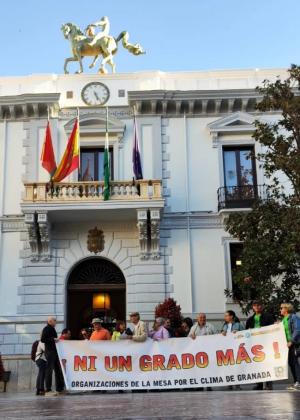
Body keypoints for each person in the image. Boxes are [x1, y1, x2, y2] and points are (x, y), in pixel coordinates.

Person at [246, 300, 275, 390]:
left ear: (262, 306)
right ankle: (259, 384)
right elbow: (246, 332)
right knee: (257, 364)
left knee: (268, 363)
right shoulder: (250, 319)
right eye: (255, 305)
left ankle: (269, 384)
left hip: (266, 343)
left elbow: (272, 329)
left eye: (258, 305)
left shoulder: (268, 316)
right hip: (255, 345)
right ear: (253, 307)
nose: (257, 307)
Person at [41, 316, 64, 396]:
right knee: (49, 370)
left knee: (57, 369)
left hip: (54, 352)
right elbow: (43, 339)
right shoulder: (47, 328)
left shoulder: (51, 328)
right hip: (50, 352)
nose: (56, 322)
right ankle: (48, 389)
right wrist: (53, 339)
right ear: (50, 321)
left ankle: (59, 389)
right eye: (55, 321)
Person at [280, 303, 300, 390]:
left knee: (295, 363)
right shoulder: (284, 319)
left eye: (281, 308)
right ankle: (296, 382)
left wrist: (292, 341)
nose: (280, 310)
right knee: (291, 363)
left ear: (286, 309)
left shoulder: (293, 317)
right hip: (287, 345)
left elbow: (298, 329)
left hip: (294, 343)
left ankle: (298, 382)